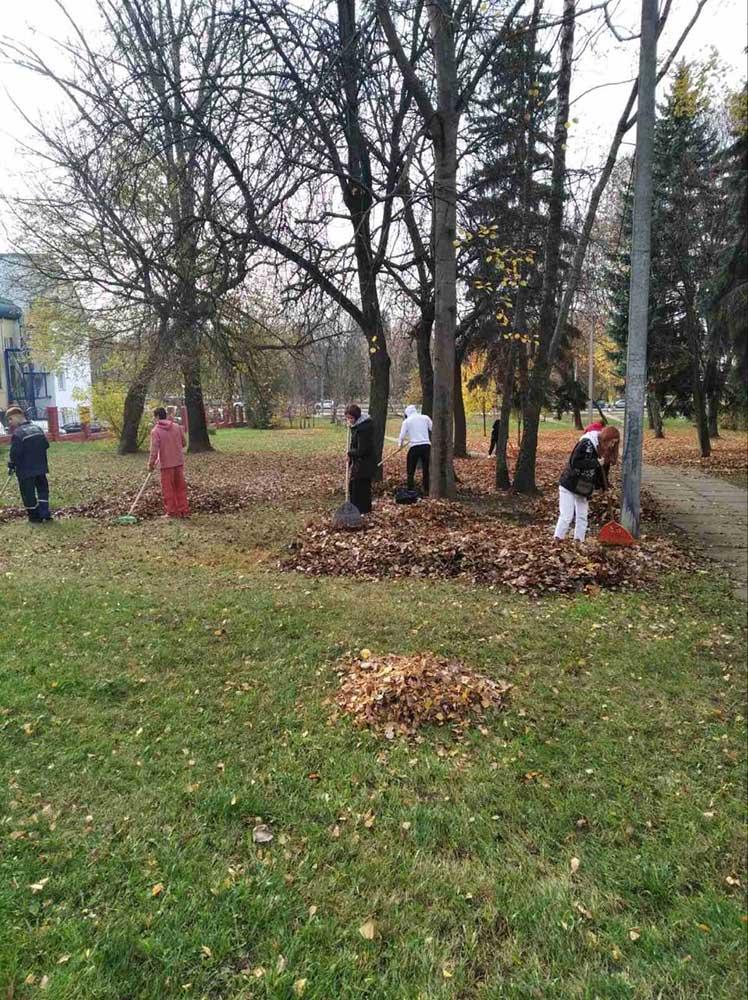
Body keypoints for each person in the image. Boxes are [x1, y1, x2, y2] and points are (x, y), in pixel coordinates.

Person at [554, 425, 620, 543]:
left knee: (582, 516)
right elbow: (575, 462)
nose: (612, 445)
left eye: (615, 443)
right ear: (606, 438)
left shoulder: (605, 451)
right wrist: (595, 463)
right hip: (569, 483)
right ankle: (557, 540)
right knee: (566, 515)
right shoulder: (587, 443)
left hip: (584, 487)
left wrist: (605, 488)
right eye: (612, 441)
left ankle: (579, 541)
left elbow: (603, 473)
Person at [6, 405, 52, 523]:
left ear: (17, 416)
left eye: (10, 419)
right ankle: (45, 513)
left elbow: (15, 453)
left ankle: (34, 516)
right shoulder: (37, 429)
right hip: (41, 466)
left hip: (25, 470)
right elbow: (46, 445)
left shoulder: (18, 433)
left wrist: (11, 465)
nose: (10, 422)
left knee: (28, 493)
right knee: (42, 489)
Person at [148, 407, 190, 518]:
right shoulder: (177, 427)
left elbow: (154, 450)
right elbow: (184, 443)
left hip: (166, 465)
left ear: (157, 417)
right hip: (178, 462)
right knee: (180, 487)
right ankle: (183, 510)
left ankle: (172, 512)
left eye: (154, 417)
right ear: (165, 415)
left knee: (168, 489)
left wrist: (151, 464)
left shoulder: (155, 431)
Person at [345, 404, 376, 514]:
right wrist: (350, 457)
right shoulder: (356, 427)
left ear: (357, 417)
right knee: (353, 487)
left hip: (365, 464)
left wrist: (350, 452)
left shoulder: (364, 428)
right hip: (359, 462)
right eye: (347, 418)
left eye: (351, 418)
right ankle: (355, 509)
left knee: (360, 488)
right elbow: (354, 444)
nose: (349, 420)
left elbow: (363, 450)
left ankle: (362, 511)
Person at [398, 404, 432, 495]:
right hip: (426, 446)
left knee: (410, 469)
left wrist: (400, 446)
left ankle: (410, 489)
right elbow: (432, 428)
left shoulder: (407, 421)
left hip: (414, 447)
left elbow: (401, 436)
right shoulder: (425, 418)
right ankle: (426, 488)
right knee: (426, 469)